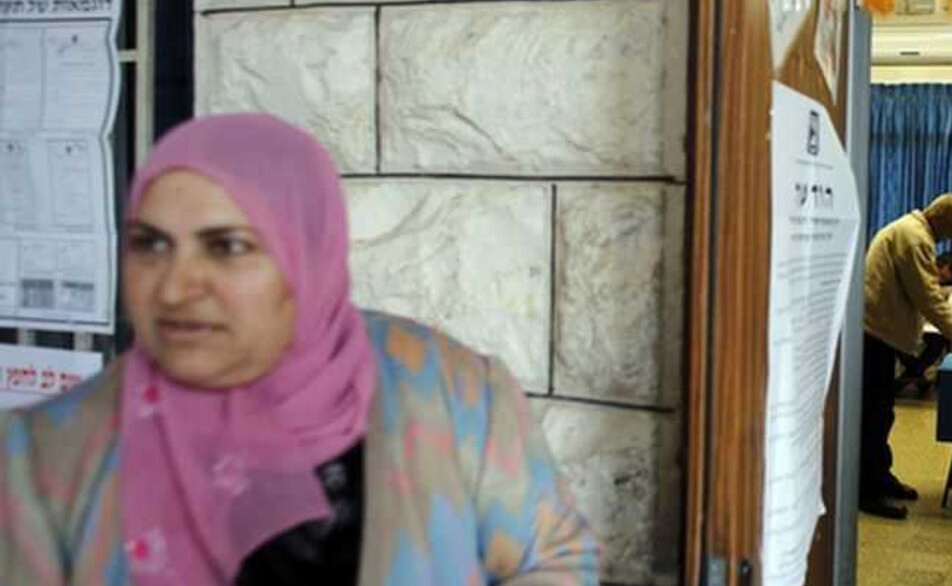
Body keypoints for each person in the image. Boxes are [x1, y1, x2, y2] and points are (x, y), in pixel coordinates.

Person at [0, 114, 599, 585]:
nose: (176, 287)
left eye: (227, 247)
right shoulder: (45, 456)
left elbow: (553, 559)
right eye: (150, 244)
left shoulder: (450, 392)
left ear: (307, 255)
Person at [861, 193, 952, 519]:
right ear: (944, 219)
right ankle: (867, 490)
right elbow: (929, 296)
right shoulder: (914, 239)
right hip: (873, 336)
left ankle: (880, 476)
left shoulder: (911, 231)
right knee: (872, 417)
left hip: (879, 334)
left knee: (882, 413)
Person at [895, 252, 952, 396]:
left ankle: (908, 376)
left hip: (940, 323)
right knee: (898, 344)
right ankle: (917, 376)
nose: (939, 279)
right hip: (918, 321)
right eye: (938, 274)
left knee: (936, 343)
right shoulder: (923, 276)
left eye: (944, 277)